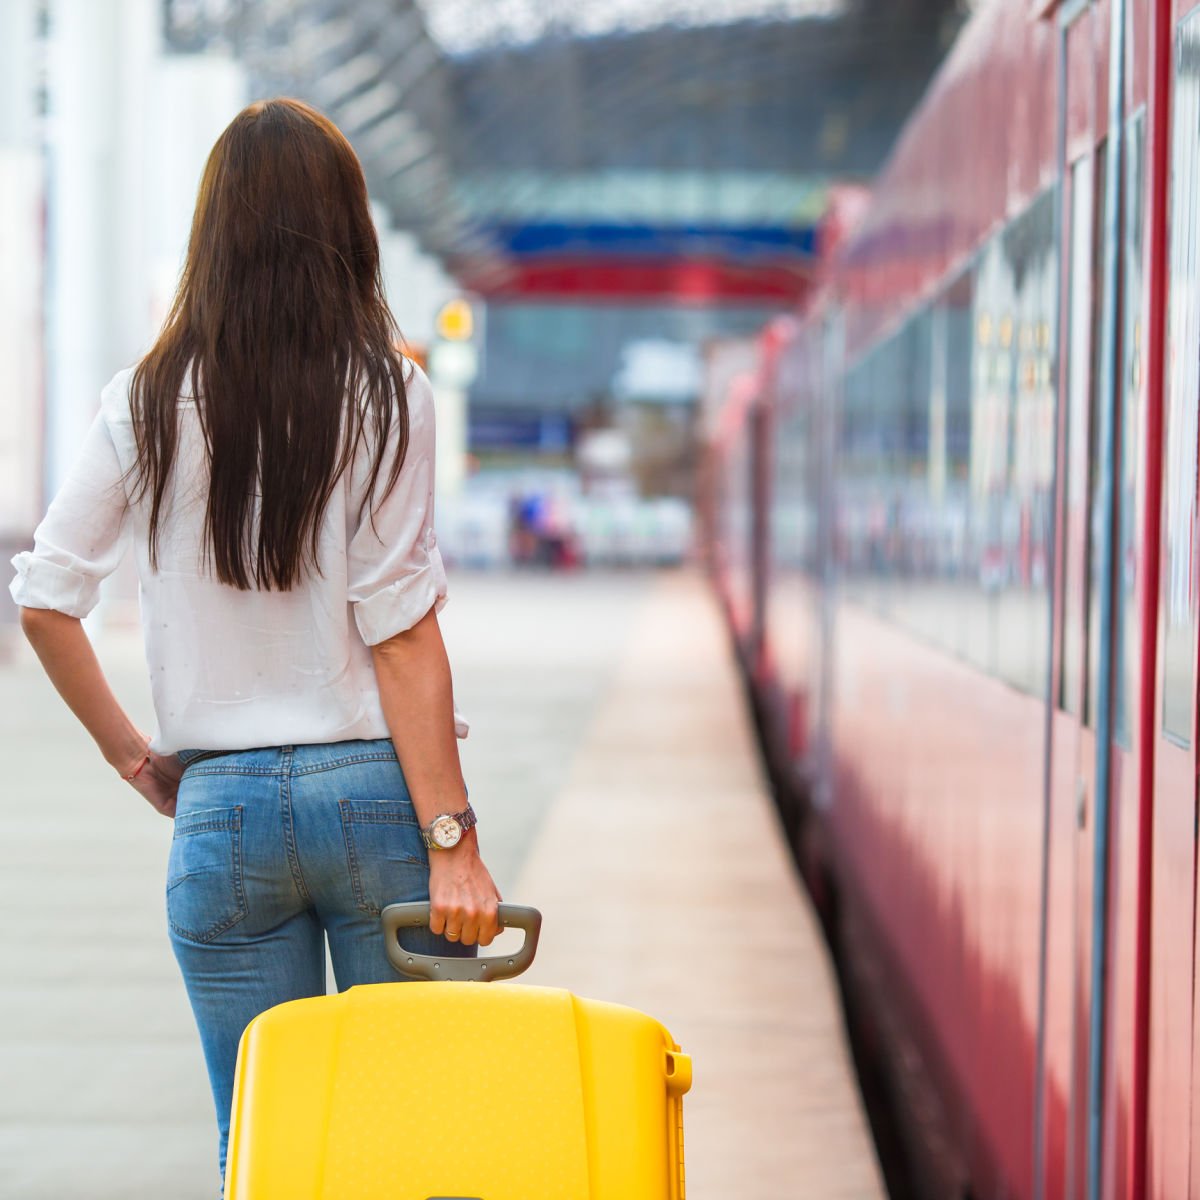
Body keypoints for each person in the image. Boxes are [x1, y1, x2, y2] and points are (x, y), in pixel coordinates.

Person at [9, 97, 502, 1192]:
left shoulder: (142, 402)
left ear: (212, 232)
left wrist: (133, 755)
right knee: (405, 1145)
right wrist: (454, 838)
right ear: (349, 231)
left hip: (220, 815)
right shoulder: (389, 394)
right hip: (377, 802)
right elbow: (404, 632)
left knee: (262, 1148)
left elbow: (46, 597)